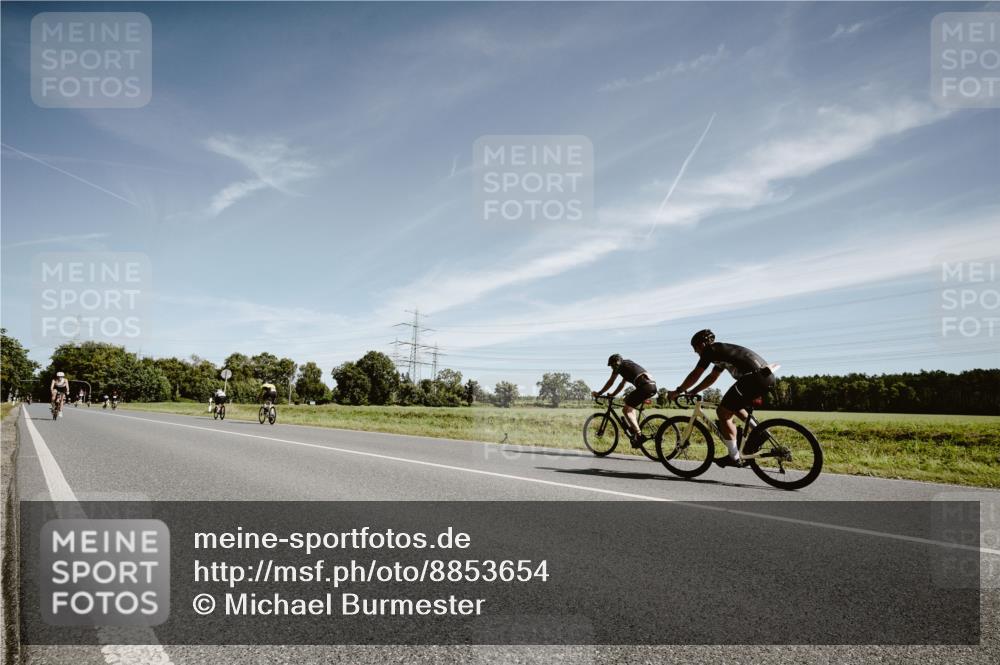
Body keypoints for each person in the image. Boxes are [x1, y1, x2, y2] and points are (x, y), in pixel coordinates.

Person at [667, 329, 776, 467]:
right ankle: (760, 431)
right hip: (766, 377)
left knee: (722, 412)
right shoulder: (721, 353)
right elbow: (712, 377)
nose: (696, 352)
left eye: (695, 348)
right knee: (734, 407)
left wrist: (678, 390)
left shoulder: (710, 351)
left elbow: (696, 373)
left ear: (703, 344)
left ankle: (734, 456)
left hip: (753, 378)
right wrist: (694, 390)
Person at [592, 354, 657, 444]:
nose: (612, 368)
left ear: (616, 363)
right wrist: (613, 394)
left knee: (626, 410)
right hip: (652, 386)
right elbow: (622, 384)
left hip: (644, 387)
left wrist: (599, 393)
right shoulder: (627, 365)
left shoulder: (619, 367)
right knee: (627, 402)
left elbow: (611, 382)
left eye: (612, 366)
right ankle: (635, 429)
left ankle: (639, 435)